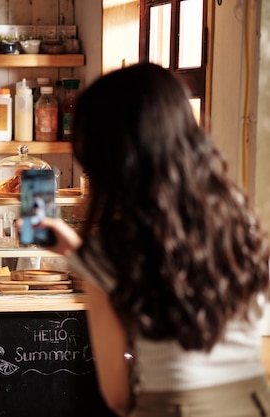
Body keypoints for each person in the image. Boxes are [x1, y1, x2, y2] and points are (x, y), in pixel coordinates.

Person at [18, 63, 270, 416]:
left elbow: (119, 396)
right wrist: (78, 253)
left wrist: (88, 260)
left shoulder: (113, 247)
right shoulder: (237, 220)